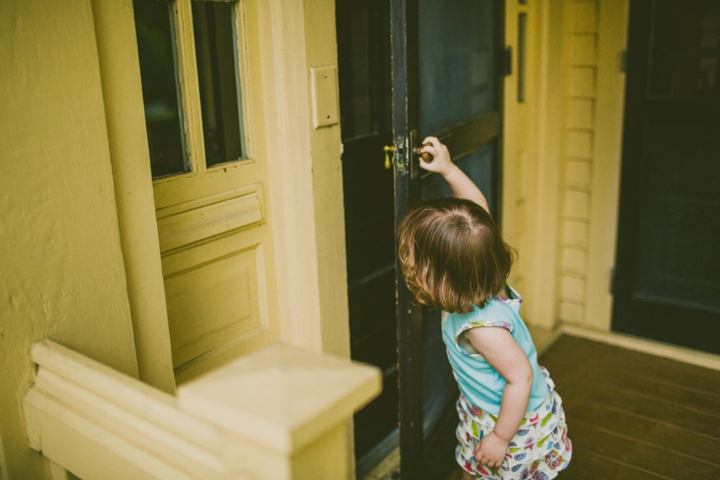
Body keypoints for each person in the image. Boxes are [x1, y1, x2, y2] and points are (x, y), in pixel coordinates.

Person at [397, 137, 572, 480]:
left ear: (444, 278)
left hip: (512, 423)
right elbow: (476, 205)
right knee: (474, 469)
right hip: (487, 410)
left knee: (494, 471)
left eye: (416, 263)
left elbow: (520, 377)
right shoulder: (485, 272)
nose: (409, 266)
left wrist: (500, 438)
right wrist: (448, 168)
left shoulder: (482, 329)